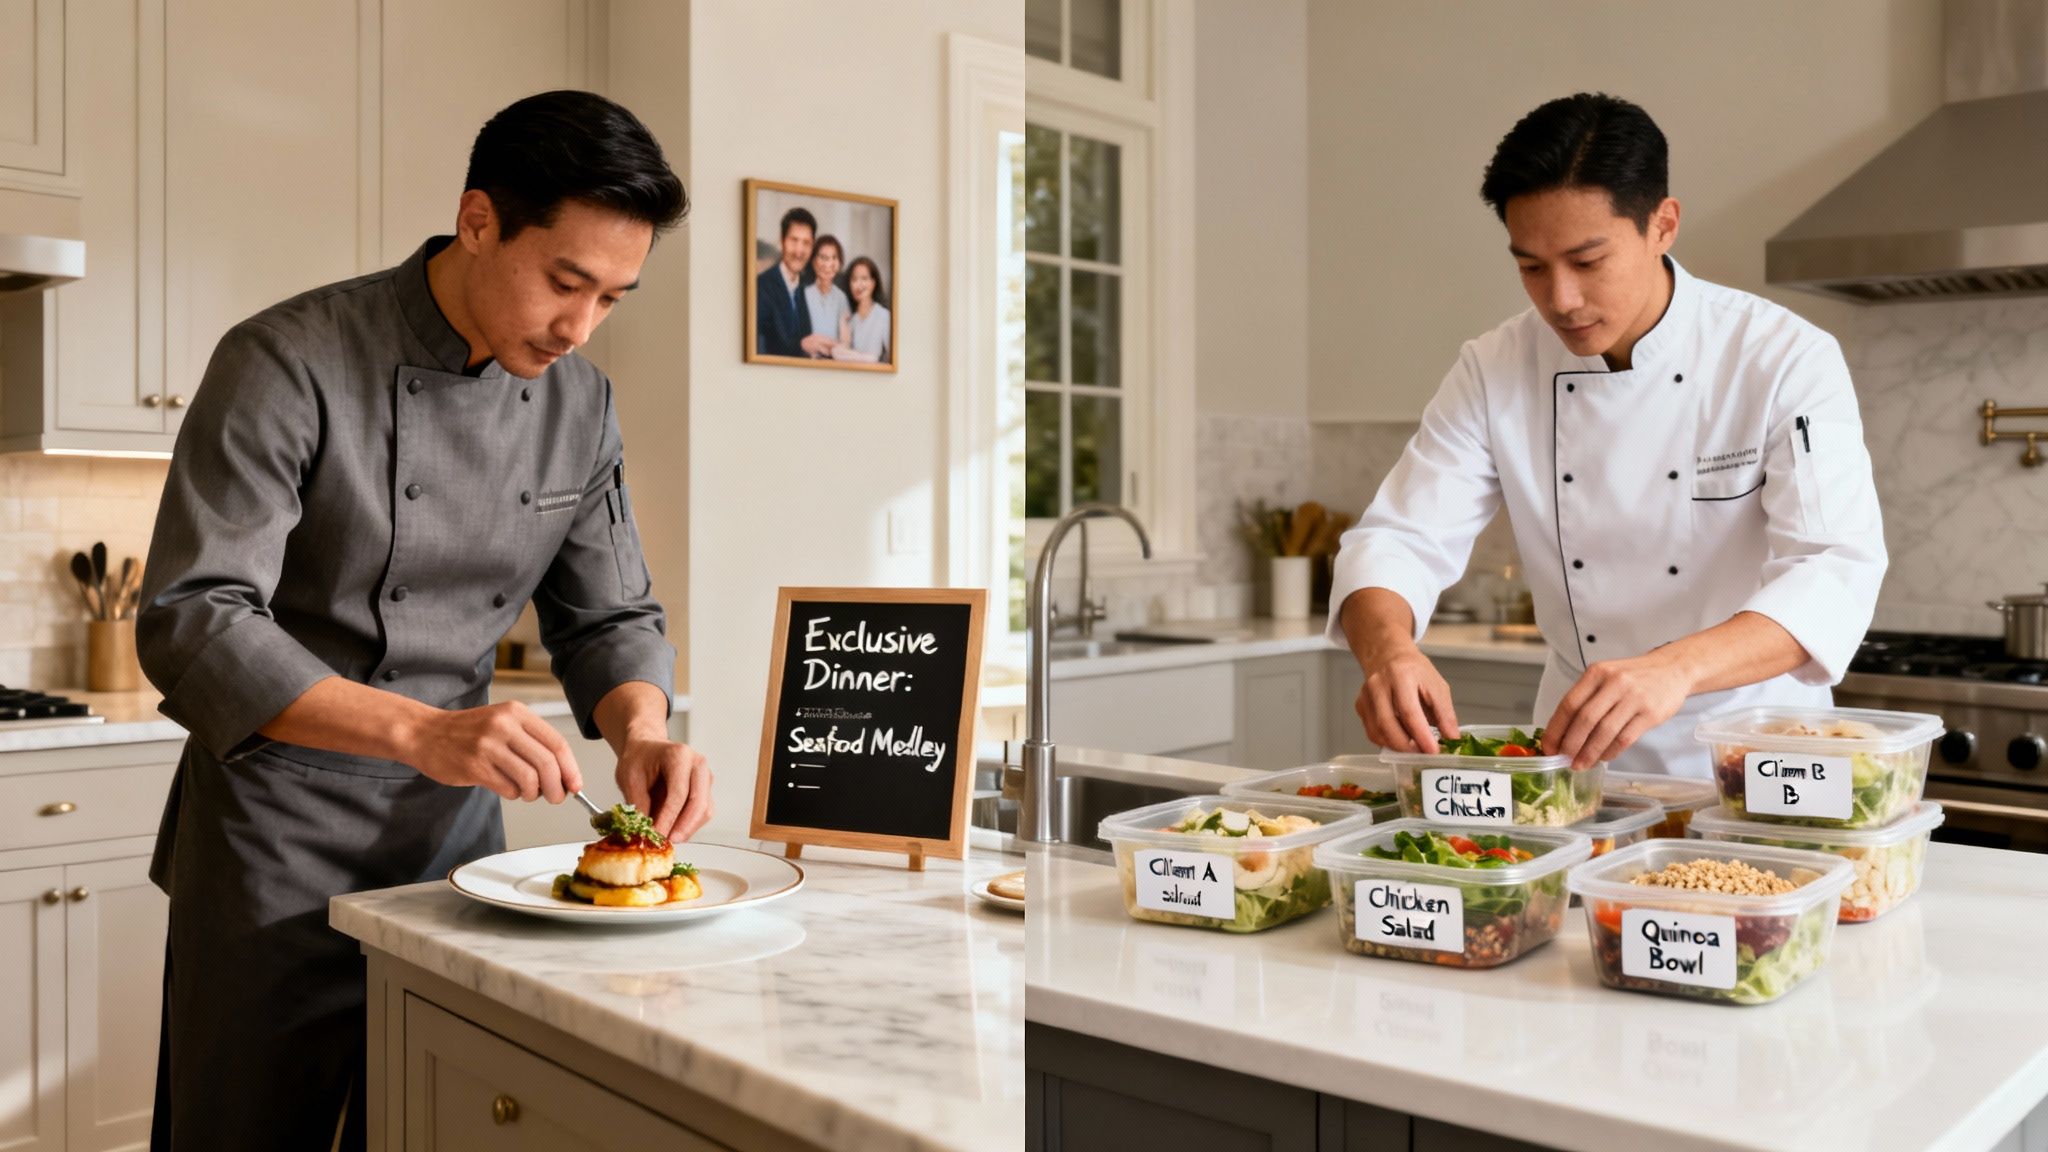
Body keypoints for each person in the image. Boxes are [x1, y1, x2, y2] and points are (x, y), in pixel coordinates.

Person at [139, 90, 706, 1151]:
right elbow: (194, 618)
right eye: (564, 282)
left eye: (611, 297)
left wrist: (642, 731)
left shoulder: (581, 406)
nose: (579, 328)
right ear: (477, 220)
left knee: (432, 1126)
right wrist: (423, 730)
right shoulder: (286, 359)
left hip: (455, 856)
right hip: (274, 843)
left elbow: (609, 614)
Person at [1329, 92, 1886, 778]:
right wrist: (1390, 652)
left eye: (1588, 261)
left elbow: (1833, 568)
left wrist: (1675, 667)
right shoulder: (1496, 367)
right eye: (1531, 267)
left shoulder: (1780, 357)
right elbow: (1398, 538)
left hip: (1758, 747)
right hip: (1575, 757)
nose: (1560, 299)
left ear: (1663, 225)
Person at [756, 206, 815, 357]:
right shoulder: (761, 286)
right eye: (794, 240)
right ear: (781, 241)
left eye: (806, 243)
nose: (799, 251)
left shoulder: (809, 289)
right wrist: (802, 345)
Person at [832, 255, 892, 364]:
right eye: (854, 279)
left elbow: (893, 358)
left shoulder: (884, 316)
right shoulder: (850, 321)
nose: (858, 285)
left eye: (864, 278)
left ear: (873, 283)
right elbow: (841, 355)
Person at [799, 233, 850, 358]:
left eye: (834, 258)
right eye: (823, 257)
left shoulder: (842, 298)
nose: (828, 264)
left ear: (840, 263)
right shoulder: (802, 295)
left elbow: (846, 342)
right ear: (813, 261)